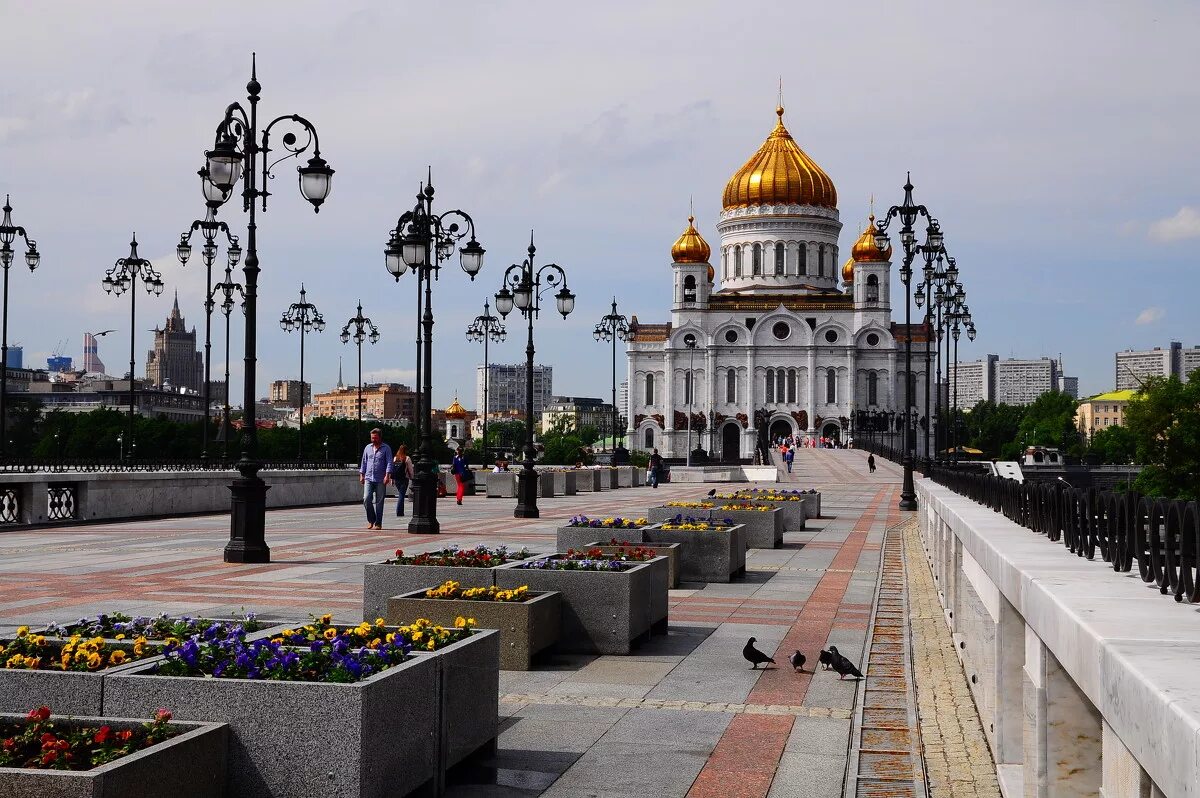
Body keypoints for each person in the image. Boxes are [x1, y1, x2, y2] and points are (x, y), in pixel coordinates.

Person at [359, 428, 393, 530]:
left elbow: (389, 463)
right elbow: (364, 462)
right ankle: (371, 519)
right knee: (366, 498)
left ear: (379, 437)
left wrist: (387, 475)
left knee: (379, 502)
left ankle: (378, 523)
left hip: (380, 478)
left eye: (375, 438)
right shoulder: (367, 448)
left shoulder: (386, 448)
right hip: (369, 477)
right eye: (372, 438)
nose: (373, 440)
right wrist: (361, 474)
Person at [392, 444, 415, 518]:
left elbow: (393, 470)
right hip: (404, 479)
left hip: (396, 479)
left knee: (400, 494)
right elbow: (410, 470)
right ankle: (399, 511)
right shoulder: (407, 458)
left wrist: (392, 479)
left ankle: (400, 511)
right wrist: (412, 477)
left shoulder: (395, 458)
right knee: (401, 495)